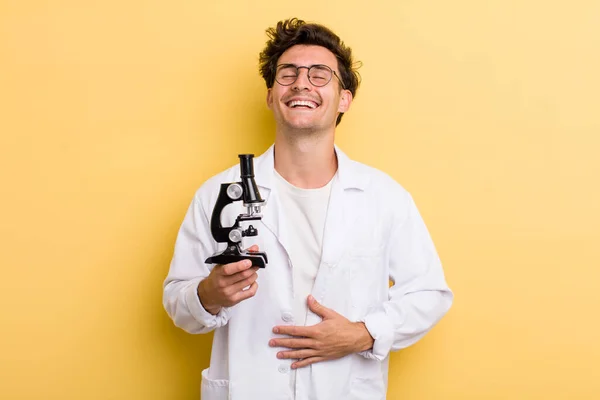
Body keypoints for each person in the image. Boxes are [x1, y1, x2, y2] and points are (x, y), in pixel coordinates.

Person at [163, 17, 453, 400]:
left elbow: (429, 293)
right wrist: (209, 294)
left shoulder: (383, 196)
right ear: (270, 95)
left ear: (344, 98)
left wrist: (364, 333)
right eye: (288, 73)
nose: (301, 83)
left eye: (319, 75)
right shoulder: (219, 193)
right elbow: (177, 301)